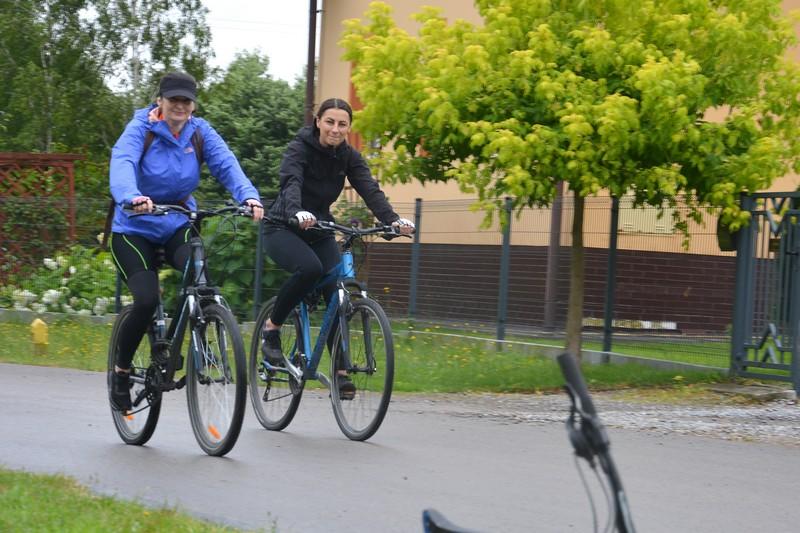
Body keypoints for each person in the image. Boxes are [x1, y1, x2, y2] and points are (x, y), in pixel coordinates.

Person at [108, 71, 264, 411]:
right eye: (173, 99)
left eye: (186, 101)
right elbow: (122, 163)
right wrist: (131, 196)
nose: (179, 106)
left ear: (193, 105)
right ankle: (121, 371)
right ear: (160, 101)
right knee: (146, 300)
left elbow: (227, 165)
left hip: (176, 221)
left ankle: (186, 336)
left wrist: (248, 197)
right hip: (133, 228)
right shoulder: (140, 129)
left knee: (199, 276)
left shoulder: (199, 132)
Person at [262, 97, 414, 398]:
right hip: (283, 225)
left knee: (336, 292)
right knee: (310, 269)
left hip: (319, 228)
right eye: (330, 121)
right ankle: (272, 327)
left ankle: (340, 371)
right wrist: (296, 211)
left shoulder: (348, 156)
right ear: (318, 121)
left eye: (342, 124)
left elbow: (369, 188)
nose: (335, 129)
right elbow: (291, 182)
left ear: (348, 128)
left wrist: (392, 221)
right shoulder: (299, 148)